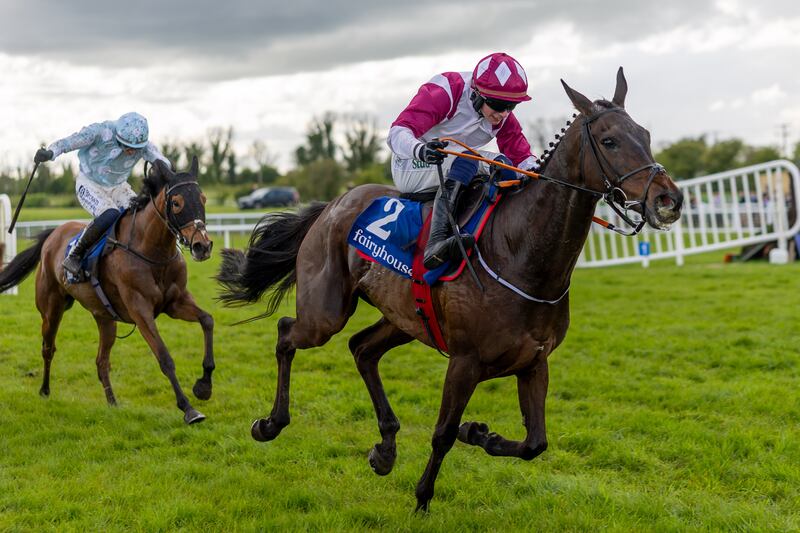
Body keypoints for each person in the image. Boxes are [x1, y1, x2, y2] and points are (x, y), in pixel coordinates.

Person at [387, 52, 538, 270]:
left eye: (511, 106)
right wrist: (420, 150)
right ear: (476, 93)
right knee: (468, 161)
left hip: (455, 164)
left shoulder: (501, 116)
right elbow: (396, 133)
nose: (503, 114)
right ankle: (435, 243)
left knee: (505, 167)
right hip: (411, 165)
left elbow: (523, 158)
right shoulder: (446, 90)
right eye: (497, 105)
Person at [33, 112, 170, 277]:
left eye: (135, 149)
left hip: (119, 187)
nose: (130, 152)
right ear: (118, 136)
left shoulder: (144, 146)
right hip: (89, 184)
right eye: (126, 146)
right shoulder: (98, 131)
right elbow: (69, 142)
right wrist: (50, 153)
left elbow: (163, 162)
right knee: (109, 214)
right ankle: (75, 254)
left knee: (138, 216)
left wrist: (168, 173)